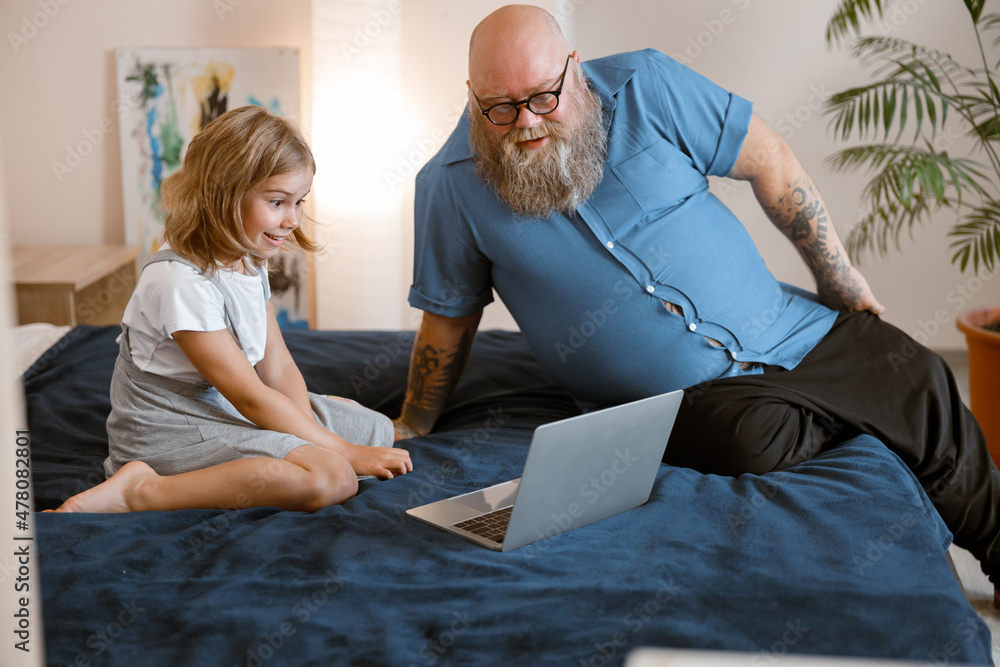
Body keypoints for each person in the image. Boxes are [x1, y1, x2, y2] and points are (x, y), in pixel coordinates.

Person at [393, 4, 1000, 601]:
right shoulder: (447, 186)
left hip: (791, 331)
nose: (525, 121)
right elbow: (449, 317)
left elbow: (771, 163)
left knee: (917, 372)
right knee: (750, 442)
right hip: (686, 399)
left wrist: (838, 278)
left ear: (573, 68)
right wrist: (415, 420)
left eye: (542, 97)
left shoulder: (648, 84)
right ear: (473, 95)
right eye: (499, 107)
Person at [55, 105, 412, 514]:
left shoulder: (248, 258)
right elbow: (252, 398)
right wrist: (341, 452)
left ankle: (314, 440)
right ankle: (141, 489)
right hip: (171, 429)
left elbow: (276, 364)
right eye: (278, 202)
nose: (293, 219)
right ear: (224, 194)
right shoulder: (180, 282)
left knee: (378, 430)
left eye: (299, 202)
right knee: (332, 477)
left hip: (220, 404)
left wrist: (321, 434)